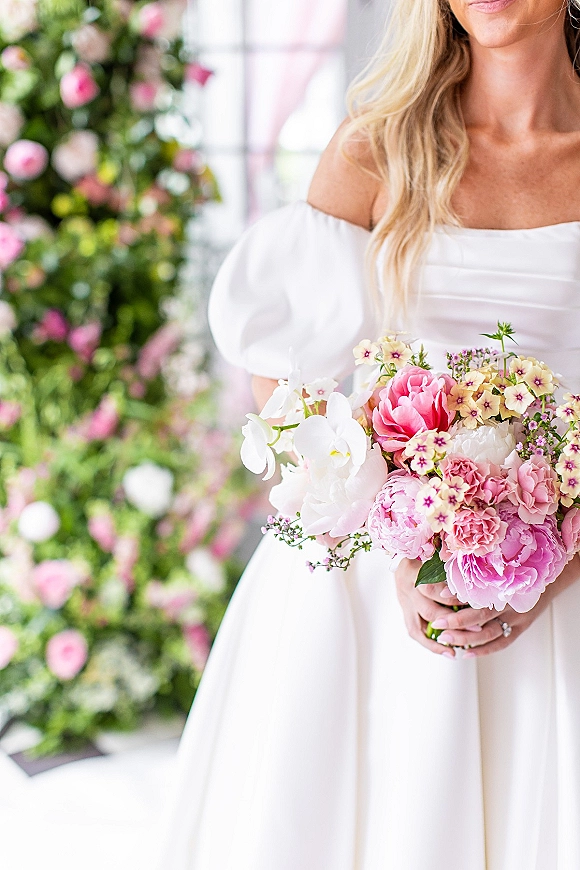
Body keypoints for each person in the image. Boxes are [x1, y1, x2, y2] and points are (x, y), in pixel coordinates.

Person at [161, 1, 580, 867]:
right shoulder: (377, 145)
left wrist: (559, 556)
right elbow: (282, 370)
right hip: (364, 584)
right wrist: (391, 529)